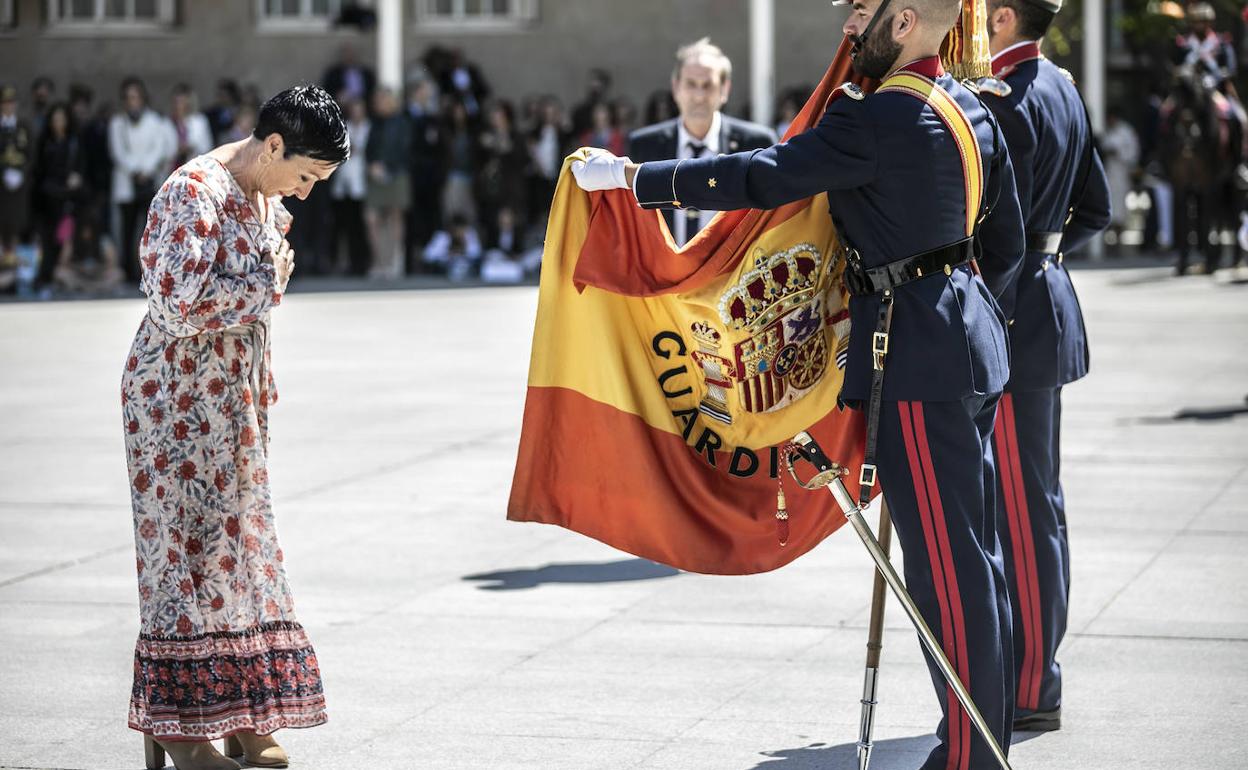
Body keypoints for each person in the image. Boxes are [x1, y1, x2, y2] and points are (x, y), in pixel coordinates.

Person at [571, 1, 1026, 767]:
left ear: (904, 21)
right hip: (968, 342)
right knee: (975, 556)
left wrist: (634, 178)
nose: (850, 30)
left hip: (916, 357)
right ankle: (982, 738)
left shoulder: (878, 118)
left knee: (947, 570)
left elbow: (761, 175)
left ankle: (971, 757)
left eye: (863, 15)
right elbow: (1004, 242)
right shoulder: (966, 105)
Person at [122, 85, 346, 770]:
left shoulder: (261, 195)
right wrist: (265, 283)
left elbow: (250, 291)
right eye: (306, 175)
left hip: (232, 404)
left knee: (236, 554)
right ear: (273, 146)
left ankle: (240, 712)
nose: (307, 192)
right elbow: (174, 305)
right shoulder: (194, 192)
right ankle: (179, 727)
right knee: (181, 558)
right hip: (174, 403)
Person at [982, 0, 1112, 736]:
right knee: (1037, 499)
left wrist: (1015, 276)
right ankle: (1033, 674)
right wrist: (1048, 260)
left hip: (1010, 318)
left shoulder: (1003, 98)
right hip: (1045, 301)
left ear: (1003, 17)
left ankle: (1034, 683)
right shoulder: (1062, 86)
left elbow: (993, 232)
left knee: (1022, 509)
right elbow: (1094, 209)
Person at [627, 37, 777, 247]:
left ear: (724, 89)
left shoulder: (756, 143)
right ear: (676, 87)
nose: (699, 96)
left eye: (708, 85)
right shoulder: (644, 145)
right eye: (691, 84)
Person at [109, 76, 172, 283]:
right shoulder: (117, 123)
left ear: (143, 98)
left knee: (148, 231)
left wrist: (146, 170)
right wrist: (135, 169)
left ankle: (147, 273)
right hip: (127, 184)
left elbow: (159, 149)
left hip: (148, 184)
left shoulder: (155, 121)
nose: (132, 101)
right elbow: (118, 152)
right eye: (128, 97)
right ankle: (128, 273)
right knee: (126, 231)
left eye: (135, 97)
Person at [32, 101, 85, 291]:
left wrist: (76, 179)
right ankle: (45, 275)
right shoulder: (45, 142)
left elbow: (81, 168)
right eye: (55, 120)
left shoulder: (74, 142)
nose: (58, 123)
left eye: (61, 119)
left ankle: (59, 274)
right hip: (47, 199)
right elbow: (39, 170)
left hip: (67, 198)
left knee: (64, 238)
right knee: (46, 239)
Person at [364, 87, 411, 279]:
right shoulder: (375, 123)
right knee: (371, 218)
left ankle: (394, 262)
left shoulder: (402, 122)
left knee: (395, 218)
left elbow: (405, 150)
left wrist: (387, 168)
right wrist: (372, 165)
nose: (379, 104)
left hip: (396, 174)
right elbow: (369, 148)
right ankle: (379, 261)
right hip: (375, 176)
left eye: (382, 100)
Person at [330, 98, 372, 275]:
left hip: (362, 184)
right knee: (343, 227)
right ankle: (345, 262)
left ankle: (362, 262)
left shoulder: (369, 127)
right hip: (343, 184)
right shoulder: (343, 127)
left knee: (360, 227)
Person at [0, 84, 35, 284]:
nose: (8, 106)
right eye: (5, 102)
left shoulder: (24, 126)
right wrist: (4, 173)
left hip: (19, 186)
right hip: (1, 185)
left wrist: (21, 173)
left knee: (17, 223)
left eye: (11, 102)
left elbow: (31, 154)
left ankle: (17, 271)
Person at [1098, 109, 1139, 250]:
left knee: (1120, 208)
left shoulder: (1126, 131)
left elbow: (1133, 152)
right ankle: (1108, 239)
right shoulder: (1107, 131)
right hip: (1109, 172)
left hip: (1121, 173)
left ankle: (1119, 238)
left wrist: (1119, 153)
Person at [165, 83, 214, 173]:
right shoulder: (167, 123)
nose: (178, 106)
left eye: (182, 102)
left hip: (195, 169)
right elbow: (164, 151)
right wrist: (177, 150)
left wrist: (190, 147)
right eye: (176, 102)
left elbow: (207, 147)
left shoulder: (199, 121)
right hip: (172, 170)